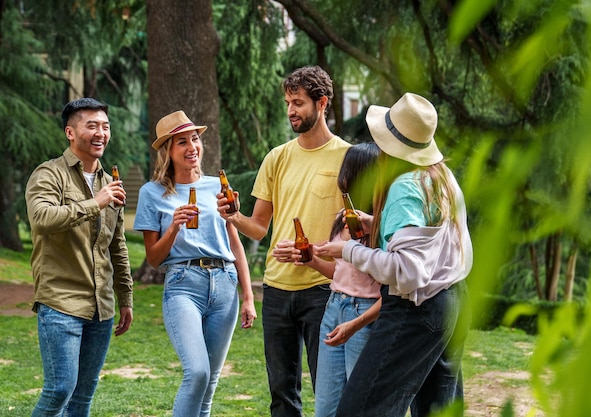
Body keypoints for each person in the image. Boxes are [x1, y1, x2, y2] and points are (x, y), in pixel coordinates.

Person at [316, 93, 473, 417]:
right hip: (452, 300)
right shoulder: (441, 177)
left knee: (361, 408)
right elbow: (428, 243)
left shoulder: (404, 187)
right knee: (437, 409)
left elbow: (407, 271)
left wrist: (348, 249)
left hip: (416, 309)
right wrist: (376, 224)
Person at [217, 65, 351, 417]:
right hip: (276, 291)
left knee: (330, 390)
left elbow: (358, 230)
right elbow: (259, 227)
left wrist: (318, 252)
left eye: (299, 102)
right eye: (288, 102)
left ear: (322, 104)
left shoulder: (347, 158)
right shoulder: (277, 157)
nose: (291, 110)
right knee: (281, 392)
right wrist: (234, 217)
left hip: (326, 288)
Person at [133, 110, 257, 417]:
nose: (192, 147)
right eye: (181, 142)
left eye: (195, 139)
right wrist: (173, 227)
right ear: (168, 152)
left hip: (225, 283)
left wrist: (248, 296)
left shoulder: (218, 187)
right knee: (198, 372)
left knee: (210, 382)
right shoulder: (152, 193)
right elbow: (153, 258)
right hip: (183, 285)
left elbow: (234, 242)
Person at [25, 97, 134, 416]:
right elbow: (41, 219)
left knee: (83, 396)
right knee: (59, 390)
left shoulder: (109, 182)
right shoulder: (49, 174)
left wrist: (125, 296)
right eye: (92, 125)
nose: (101, 133)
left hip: (102, 307)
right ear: (70, 133)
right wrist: (95, 203)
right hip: (60, 302)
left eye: (106, 126)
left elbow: (117, 244)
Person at [294, 142, 383, 417]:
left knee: (359, 406)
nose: (341, 178)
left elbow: (391, 289)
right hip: (334, 308)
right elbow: (340, 273)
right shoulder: (341, 218)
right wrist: (311, 259)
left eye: (347, 170)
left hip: (364, 314)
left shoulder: (381, 224)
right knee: (326, 408)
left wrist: (358, 322)